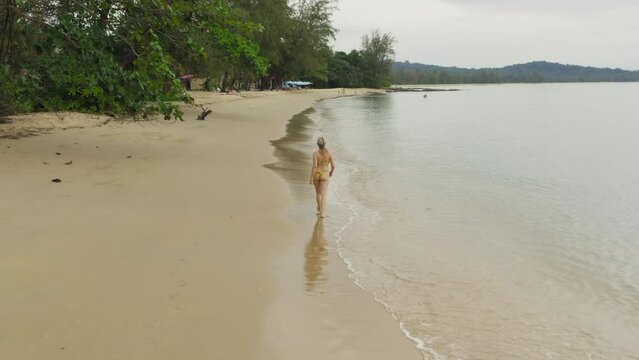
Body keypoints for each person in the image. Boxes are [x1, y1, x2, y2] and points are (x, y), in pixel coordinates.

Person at [309, 137, 335, 217]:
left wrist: (311, 177)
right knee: (323, 194)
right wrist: (331, 172)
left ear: (318, 144)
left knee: (318, 193)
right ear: (325, 144)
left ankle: (320, 209)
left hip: (317, 174)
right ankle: (322, 213)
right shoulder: (329, 153)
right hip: (325, 174)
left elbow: (315, 166)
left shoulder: (315, 154)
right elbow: (333, 165)